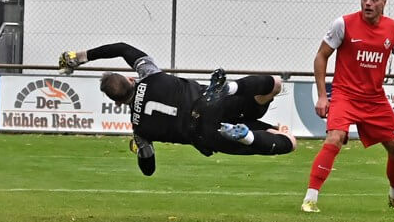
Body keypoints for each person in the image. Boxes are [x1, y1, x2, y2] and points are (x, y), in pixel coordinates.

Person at [57, 43, 295, 175]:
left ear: (117, 103)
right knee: (273, 84)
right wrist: (79, 57)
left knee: (288, 141)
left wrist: (141, 150)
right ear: (131, 79)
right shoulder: (149, 74)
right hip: (209, 102)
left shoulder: (139, 130)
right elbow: (121, 48)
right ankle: (230, 88)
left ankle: (248, 136)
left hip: (206, 135)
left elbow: (148, 168)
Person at [301, 0, 394, 213]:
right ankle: (310, 198)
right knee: (335, 137)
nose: (368, 3)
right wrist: (323, 96)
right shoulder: (343, 24)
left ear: (384, 1)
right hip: (345, 94)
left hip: (374, 98)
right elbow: (321, 56)